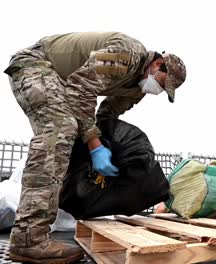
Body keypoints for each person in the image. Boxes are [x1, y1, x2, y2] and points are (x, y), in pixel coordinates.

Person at [4, 32, 186, 264]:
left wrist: (102, 151)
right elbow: (79, 89)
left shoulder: (136, 89)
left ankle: (32, 234)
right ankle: (29, 238)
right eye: (162, 83)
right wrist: (94, 145)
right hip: (36, 64)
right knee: (60, 131)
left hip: (61, 82)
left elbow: (106, 116)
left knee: (69, 134)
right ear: (157, 64)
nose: (158, 90)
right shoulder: (128, 54)